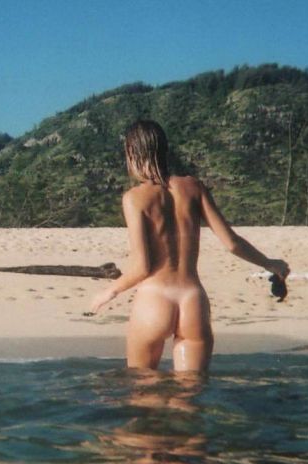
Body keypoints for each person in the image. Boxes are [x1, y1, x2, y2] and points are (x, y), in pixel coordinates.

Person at [90, 120, 289, 372]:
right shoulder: (194, 187)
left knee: (142, 388)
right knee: (190, 394)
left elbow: (142, 267)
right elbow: (232, 243)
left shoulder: (135, 198)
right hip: (192, 299)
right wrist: (270, 264)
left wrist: (109, 292)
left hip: (154, 299)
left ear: (132, 153)